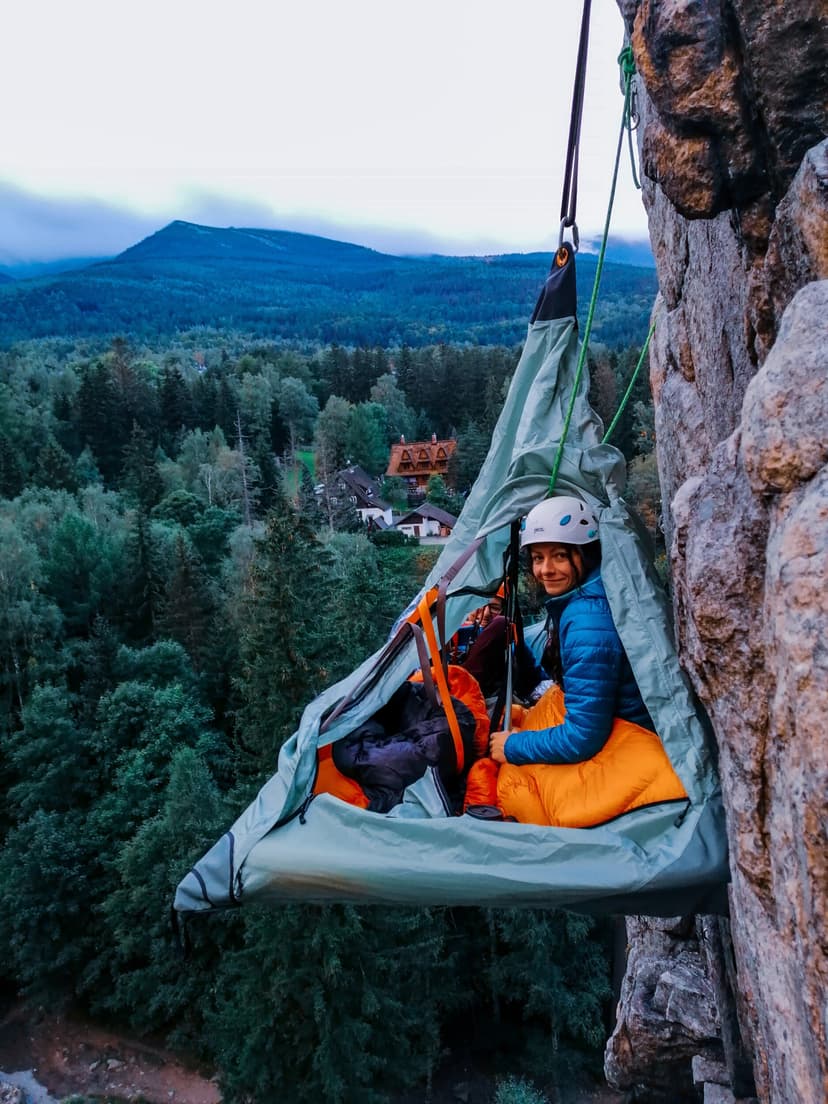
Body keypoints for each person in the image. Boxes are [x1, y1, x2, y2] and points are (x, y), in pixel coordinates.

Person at [482, 495, 685, 827]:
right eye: (537, 558)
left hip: (630, 741)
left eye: (560, 556)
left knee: (514, 787)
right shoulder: (592, 593)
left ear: (584, 554)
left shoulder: (587, 623)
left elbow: (583, 737)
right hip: (620, 724)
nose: (545, 569)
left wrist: (514, 747)